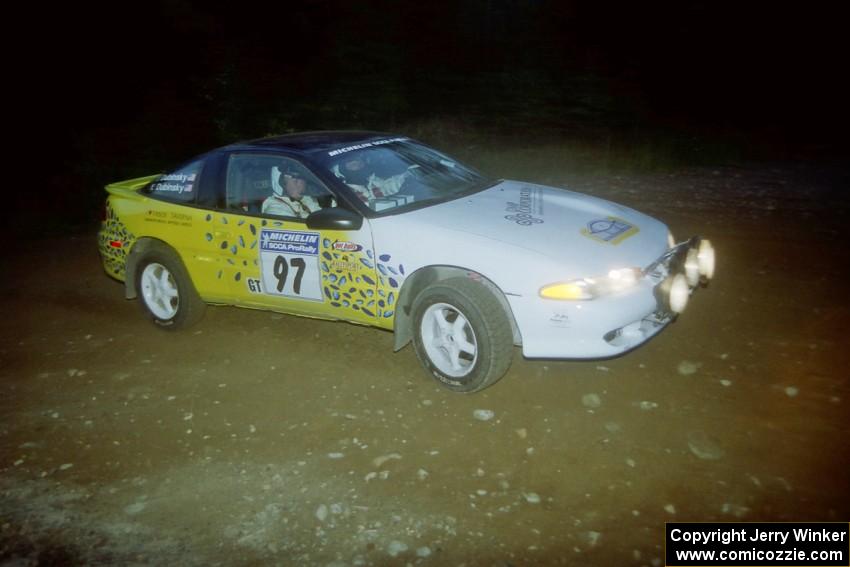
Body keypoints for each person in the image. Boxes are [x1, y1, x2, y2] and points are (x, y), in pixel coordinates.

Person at [332, 153, 411, 203]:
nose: (359, 166)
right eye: (353, 164)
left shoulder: (374, 181)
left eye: (360, 163)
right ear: (342, 170)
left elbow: (390, 185)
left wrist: (408, 174)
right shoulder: (341, 192)